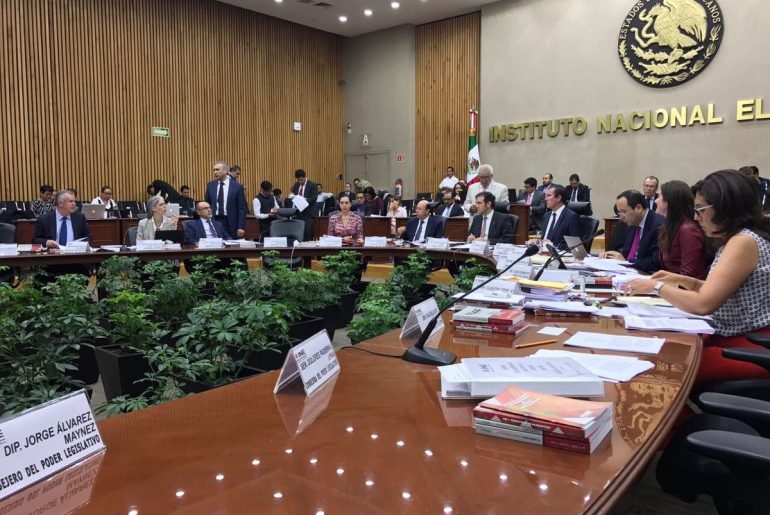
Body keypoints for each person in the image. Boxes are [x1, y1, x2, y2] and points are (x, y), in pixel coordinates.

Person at [623, 170, 770, 387]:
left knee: (662, 363)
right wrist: (685, 281)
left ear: (724, 207)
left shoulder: (743, 241)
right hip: (733, 337)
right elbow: (721, 290)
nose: (696, 217)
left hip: (746, 345)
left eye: (701, 209)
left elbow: (703, 305)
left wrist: (657, 286)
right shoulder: (742, 237)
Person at [600, 190, 664, 272]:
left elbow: (655, 262)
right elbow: (627, 254)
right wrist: (612, 256)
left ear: (638, 208)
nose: (621, 217)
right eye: (619, 213)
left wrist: (626, 262)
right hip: (627, 272)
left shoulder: (659, 225)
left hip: (646, 274)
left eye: (623, 212)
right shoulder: (632, 222)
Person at [655, 180, 706, 278]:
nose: (656, 200)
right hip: (670, 283)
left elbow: (689, 274)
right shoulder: (670, 226)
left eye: (660, 197)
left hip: (682, 286)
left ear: (670, 201)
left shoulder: (688, 230)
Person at [204, 161, 247, 239]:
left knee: (231, 244)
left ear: (225, 171)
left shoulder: (237, 186)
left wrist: (241, 226)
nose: (215, 172)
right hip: (214, 220)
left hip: (231, 222)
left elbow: (242, 208)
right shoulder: (210, 185)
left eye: (217, 170)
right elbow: (207, 204)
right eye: (214, 170)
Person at [541, 185, 581, 251]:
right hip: (543, 254)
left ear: (558, 198)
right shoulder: (546, 216)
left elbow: (576, 246)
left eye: (549, 195)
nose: (546, 199)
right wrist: (538, 242)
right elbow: (544, 239)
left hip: (559, 255)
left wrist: (553, 246)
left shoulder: (571, 217)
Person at [289, 169, 319, 240]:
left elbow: (313, 199)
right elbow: (293, 195)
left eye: (301, 180)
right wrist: (292, 196)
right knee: (299, 234)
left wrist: (302, 199)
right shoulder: (296, 185)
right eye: (298, 180)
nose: (300, 182)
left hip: (309, 213)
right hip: (299, 213)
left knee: (308, 233)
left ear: (305, 177)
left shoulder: (312, 185)